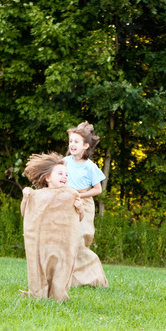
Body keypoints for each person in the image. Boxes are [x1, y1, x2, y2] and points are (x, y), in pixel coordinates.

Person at [20, 153, 85, 301]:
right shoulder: (38, 195)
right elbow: (26, 215)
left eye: (66, 174)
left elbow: (78, 219)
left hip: (63, 242)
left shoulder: (70, 195)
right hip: (43, 242)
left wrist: (80, 209)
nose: (65, 176)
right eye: (60, 173)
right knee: (42, 267)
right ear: (48, 177)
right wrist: (25, 199)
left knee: (61, 267)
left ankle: (57, 295)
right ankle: (39, 293)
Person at [64, 121, 109, 288]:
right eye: (70, 141)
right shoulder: (64, 162)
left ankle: (94, 278)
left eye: (76, 142)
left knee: (80, 239)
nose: (72, 144)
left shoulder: (90, 167)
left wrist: (80, 195)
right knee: (67, 240)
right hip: (67, 202)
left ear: (85, 146)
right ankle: (69, 278)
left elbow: (97, 190)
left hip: (84, 204)